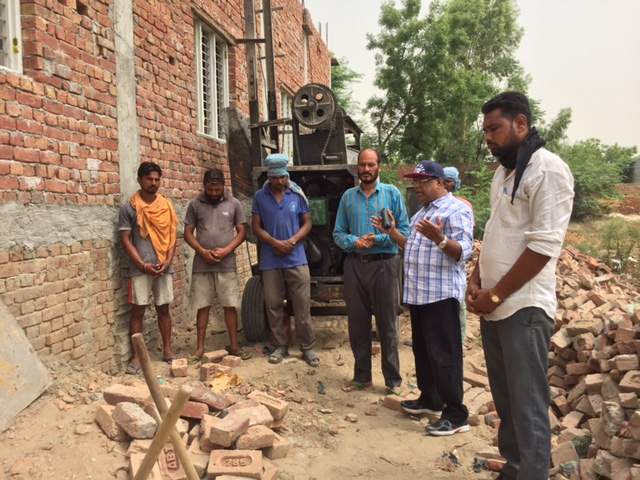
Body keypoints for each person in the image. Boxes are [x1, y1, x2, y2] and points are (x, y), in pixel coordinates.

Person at [467, 92, 574, 479]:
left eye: (494, 129)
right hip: (495, 308)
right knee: (507, 401)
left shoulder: (549, 170)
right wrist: (478, 279)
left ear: (521, 124)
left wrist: (496, 293)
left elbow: (544, 246)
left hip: (523, 308)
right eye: (485, 131)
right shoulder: (504, 173)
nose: (488, 138)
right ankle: (514, 469)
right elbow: (496, 232)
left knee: (527, 404)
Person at [373, 160, 474, 435]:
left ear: (440, 183)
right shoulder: (423, 213)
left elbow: (464, 252)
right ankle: (431, 399)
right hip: (419, 295)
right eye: (415, 181)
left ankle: (456, 415)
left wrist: (441, 239)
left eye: (423, 181)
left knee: (445, 355)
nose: (417, 186)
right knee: (424, 351)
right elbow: (413, 246)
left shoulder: (457, 210)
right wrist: (391, 233)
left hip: (441, 296)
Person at [333, 148, 410, 395]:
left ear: (379, 166)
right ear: (357, 167)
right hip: (355, 265)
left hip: (385, 265)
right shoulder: (347, 197)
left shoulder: (392, 194)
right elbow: (338, 233)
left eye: (371, 165)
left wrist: (378, 239)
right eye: (362, 165)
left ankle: (393, 381)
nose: (366, 170)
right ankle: (362, 377)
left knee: (387, 323)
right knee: (357, 324)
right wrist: (355, 242)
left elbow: (405, 234)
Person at [251, 153, 320, 367]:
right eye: (273, 178)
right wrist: (273, 242)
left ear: (286, 175)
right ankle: (280, 346)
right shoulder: (260, 197)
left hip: (297, 258)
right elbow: (256, 226)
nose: (278, 182)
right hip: (271, 260)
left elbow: (307, 223)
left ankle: (307, 347)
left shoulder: (297, 194)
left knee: (301, 306)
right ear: (268, 177)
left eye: (281, 177)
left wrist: (292, 241)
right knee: (273, 305)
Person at [118, 161, 178, 374]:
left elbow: (172, 237)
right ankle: (137, 357)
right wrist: (142, 264)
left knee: (164, 308)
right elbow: (126, 239)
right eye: (149, 179)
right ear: (140, 180)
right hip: (140, 269)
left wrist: (168, 261)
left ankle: (168, 350)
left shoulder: (166, 206)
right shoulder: (130, 207)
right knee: (138, 312)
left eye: (156, 179)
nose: (153, 183)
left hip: (164, 267)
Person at [184, 168, 250, 360]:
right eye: (210, 189)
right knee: (202, 305)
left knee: (229, 305)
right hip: (202, 264)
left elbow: (242, 232)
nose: (213, 193)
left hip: (226, 263)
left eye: (217, 190)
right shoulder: (195, 204)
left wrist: (227, 250)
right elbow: (188, 233)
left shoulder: (234, 203)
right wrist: (202, 251)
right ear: (204, 186)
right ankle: (199, 348)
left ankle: (235, 346)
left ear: (223, 186)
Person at [443, 166, 473, 340]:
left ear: (455, 184)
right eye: (443, 180)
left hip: (455, 260)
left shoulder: (462, 205)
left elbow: (465, 240)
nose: (445, 184)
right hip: (440, 261)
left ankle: (459, 339)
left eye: (449, 181)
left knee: (457, 302)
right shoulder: (433, 205)